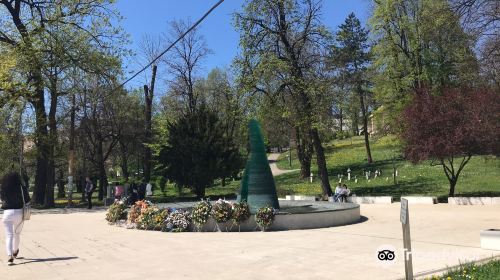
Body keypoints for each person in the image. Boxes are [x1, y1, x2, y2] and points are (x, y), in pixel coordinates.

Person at [0, 172, 30, 265]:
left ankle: (9, 256)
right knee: (17, 234)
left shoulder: (2, 188)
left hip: (7, 213)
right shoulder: (21, 188)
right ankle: (15, 251)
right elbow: (27, 200)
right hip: (18, 212)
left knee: (9, 235)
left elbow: (2, 199)